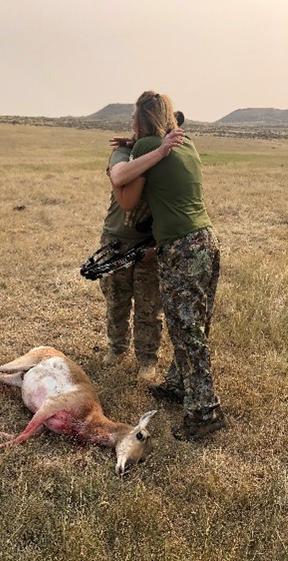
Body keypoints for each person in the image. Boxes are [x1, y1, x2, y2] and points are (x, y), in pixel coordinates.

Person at [109, 91, 228, 441]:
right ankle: (178, 384)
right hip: (205, 241)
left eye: (134, 118)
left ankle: (205, 411)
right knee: (191, 323)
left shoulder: (150, 148)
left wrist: (137, 146)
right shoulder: (187, 144)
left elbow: (120, 181)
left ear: (141, 120)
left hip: (182, 248)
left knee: (186, 330)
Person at [99, 119, 184, 382]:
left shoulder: (165, 159)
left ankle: (147, 360)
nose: (134, 126)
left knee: (149, 307)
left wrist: (157, 244)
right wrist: (149, 150)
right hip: (116, 241)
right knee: (116, 301)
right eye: (133, 122)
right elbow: (120, 174)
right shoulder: (123, 153)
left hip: (148, 244)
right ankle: (116, 349)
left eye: (139, 122)